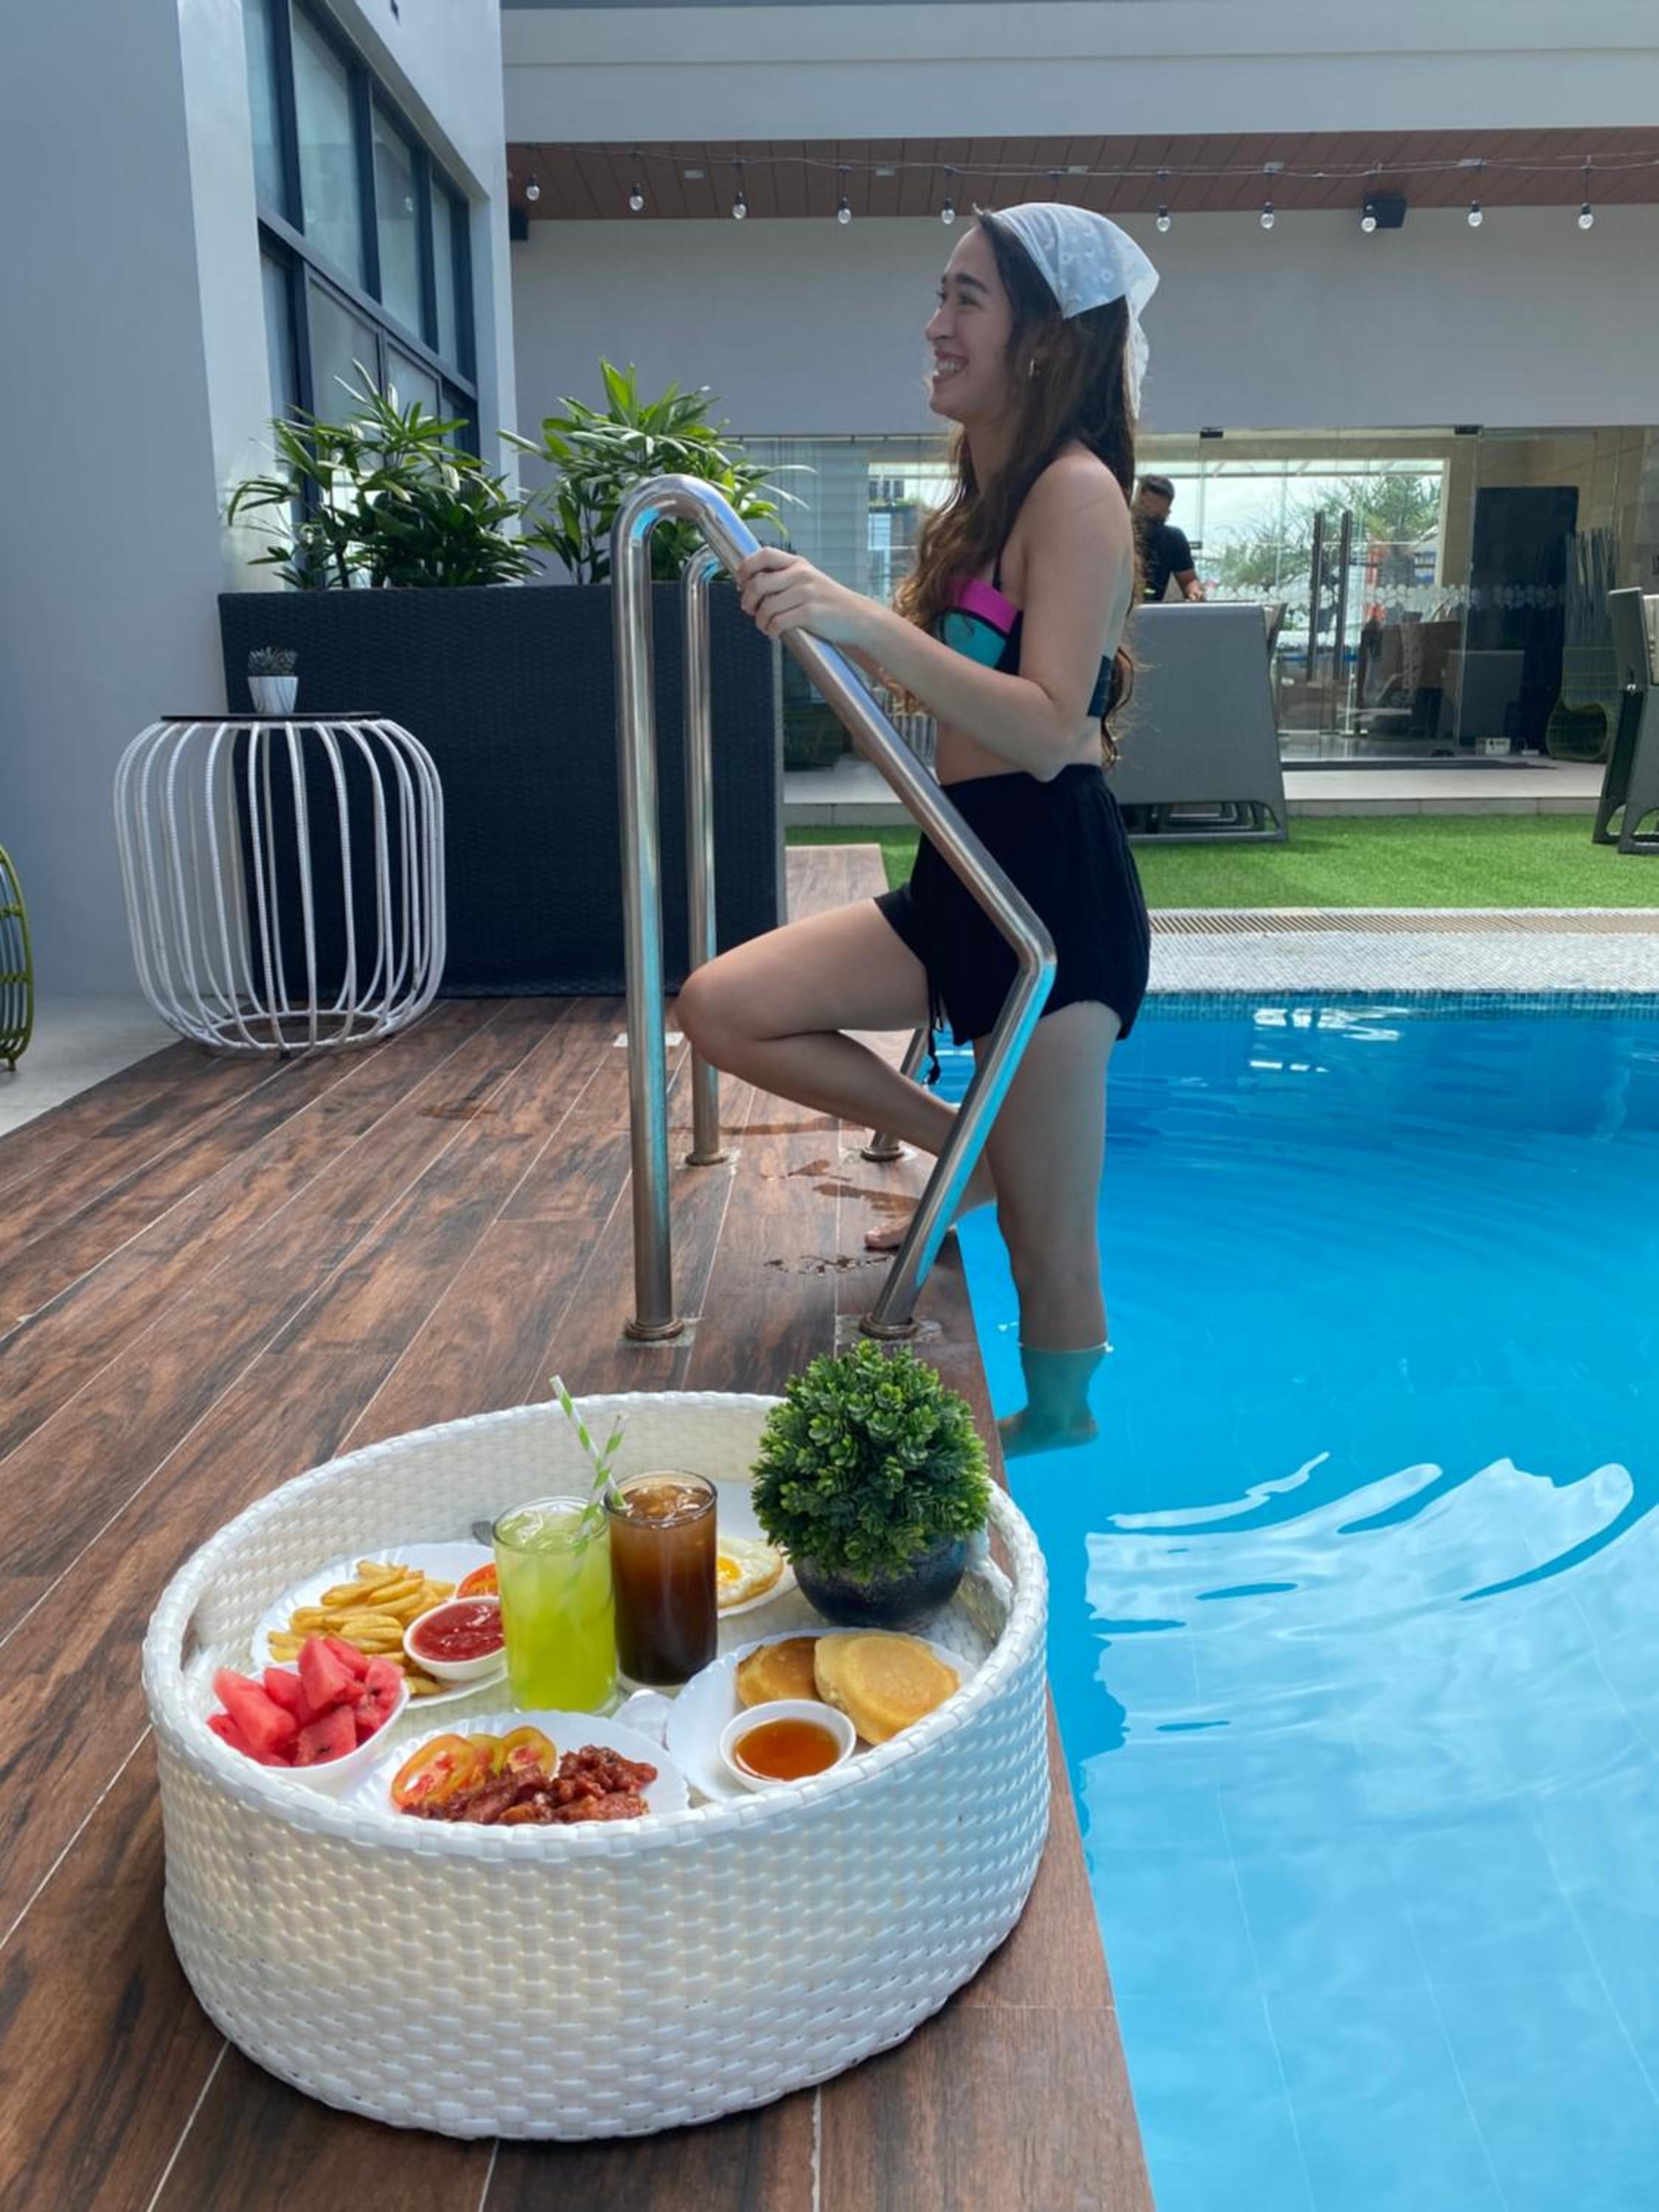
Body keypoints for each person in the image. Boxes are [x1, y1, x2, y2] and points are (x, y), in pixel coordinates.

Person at [675, 203, 1156, 1455]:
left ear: (1045, 339)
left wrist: (858, 619)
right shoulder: (992, 495)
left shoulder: (1076, 492)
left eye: (966, 299)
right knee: (722, 1007)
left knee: (1052, 1242)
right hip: (967, 871)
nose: (935, 325)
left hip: (1049, 895)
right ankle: (966, 1156)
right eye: (940, 296)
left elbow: (1049, 728)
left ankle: (1061, 1424)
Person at [1132, 473, 1204, 601]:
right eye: (1145, 510)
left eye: (1156, 517)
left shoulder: (1173, 538)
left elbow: (1189, 580)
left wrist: (1195, 593)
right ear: (1136, 502)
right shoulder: (1118, 534)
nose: (1148, 520)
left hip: (1152, 610)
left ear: (1167, 512)